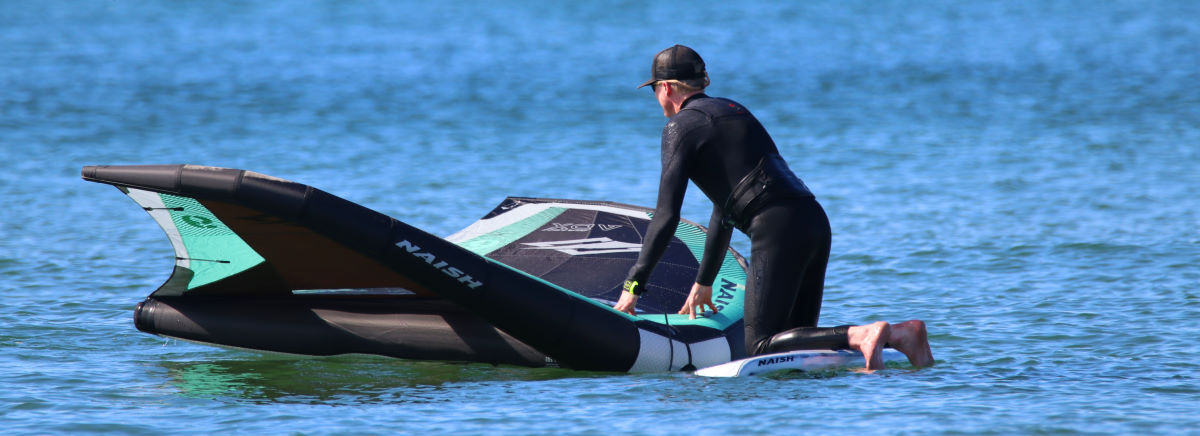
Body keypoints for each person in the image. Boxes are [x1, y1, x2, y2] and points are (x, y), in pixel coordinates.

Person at [612, 45, 933, 370]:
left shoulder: (679, 127)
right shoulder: (733, 110)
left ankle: (864, 334)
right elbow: (724, 210)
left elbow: (666, 216)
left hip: (776, 228)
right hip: (812, 220)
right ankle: (899, 335)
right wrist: (703, 282)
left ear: (665, 87)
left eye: (654, 89)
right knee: (795, 348)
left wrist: (633, 286)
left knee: (760, 345)